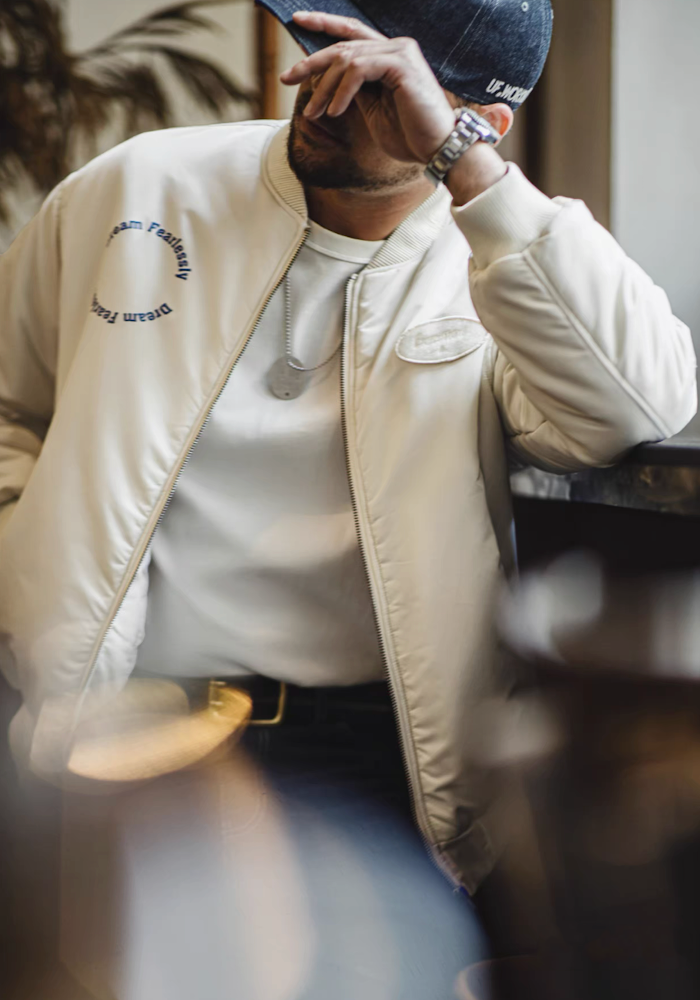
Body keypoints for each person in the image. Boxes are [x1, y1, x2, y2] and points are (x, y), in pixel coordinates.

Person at [0, 0, 696, 995]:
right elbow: (8, 401)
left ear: (473, 120)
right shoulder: (140, 186)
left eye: (374, 83)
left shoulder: (499, 262)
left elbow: (639, 404)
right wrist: (25, 559)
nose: (323, 98)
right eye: (324, 54)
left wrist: (466, 168)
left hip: (373, 749)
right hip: (122, 715)